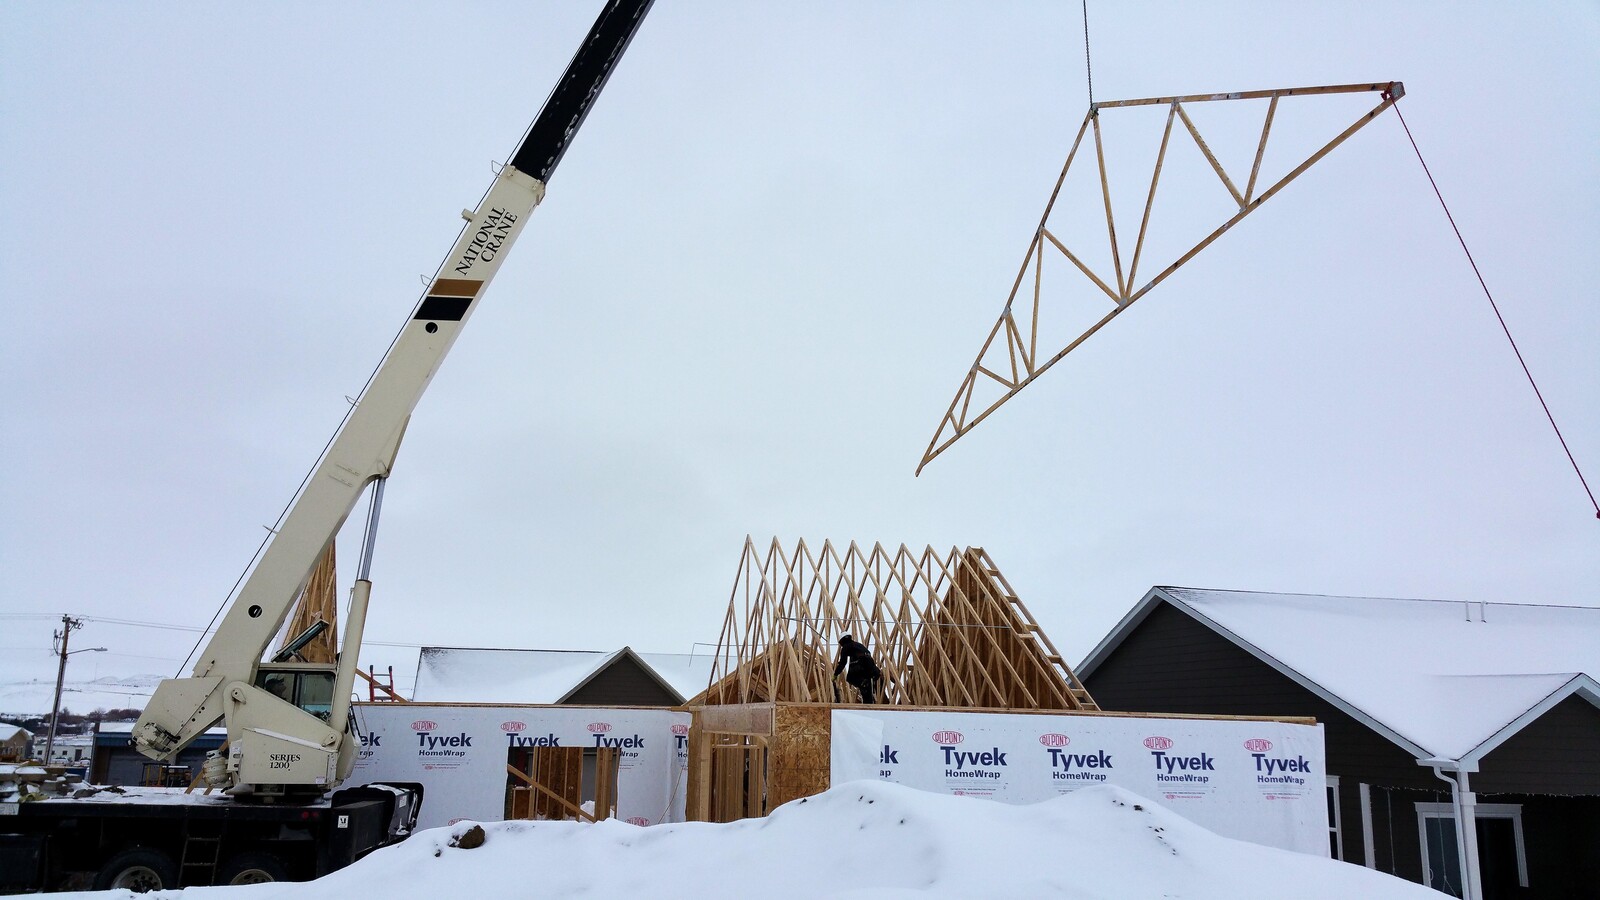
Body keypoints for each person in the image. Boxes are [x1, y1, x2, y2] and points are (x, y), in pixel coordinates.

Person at [833, 634, 880, 704]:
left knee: (850, 678)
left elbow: (843, 663)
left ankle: (863, 683)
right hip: (871, 667)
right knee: (866, 689)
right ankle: (868, 703)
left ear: (842, 642)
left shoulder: (846, 647)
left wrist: (836, 674)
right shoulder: (858, 645)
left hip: (862, 664)